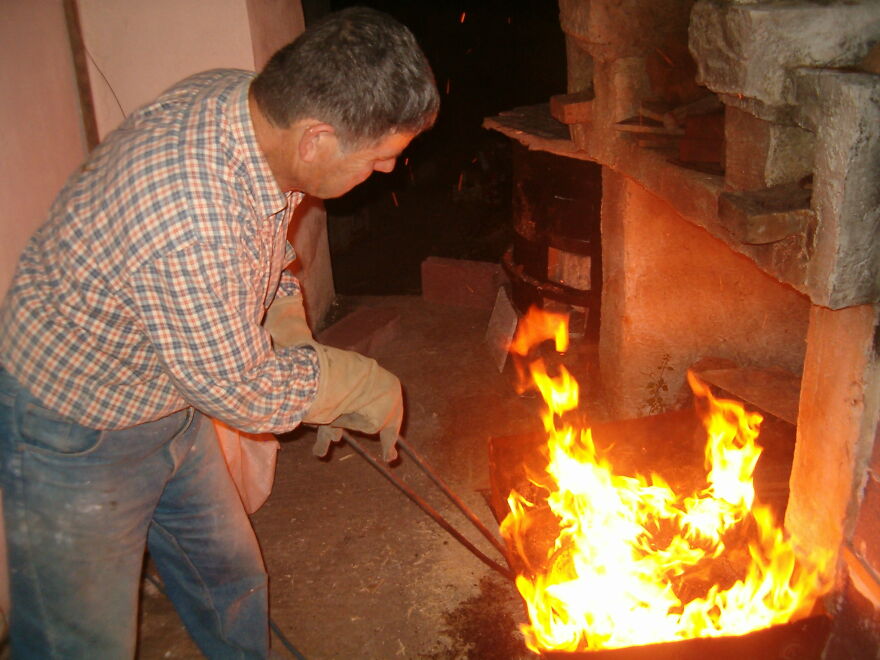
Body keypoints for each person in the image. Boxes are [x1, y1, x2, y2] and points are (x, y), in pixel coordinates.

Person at [0, 6, 438, 658]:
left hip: (171, 392)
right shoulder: (192, 215)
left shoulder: (250, 113)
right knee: (82, 645)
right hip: (76, 426)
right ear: (316, 139)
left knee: (230, 579)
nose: (384, 172)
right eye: (380, 157)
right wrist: (348, 383)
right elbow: (243, 391)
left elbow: (256, 251)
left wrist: (284, 315)